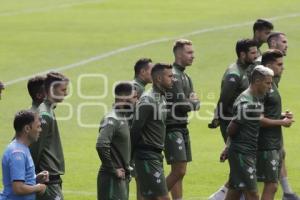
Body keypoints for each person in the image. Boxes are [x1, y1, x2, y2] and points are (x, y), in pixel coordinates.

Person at [208, 39, 258, 200]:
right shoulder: (234, 73)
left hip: (243, 124)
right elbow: (224, 100)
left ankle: (225, 196)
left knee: (242, 164)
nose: (256, 55)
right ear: (242, 54)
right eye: (252, 53)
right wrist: (218, 118)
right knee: (240, 162)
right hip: (232, 124)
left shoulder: (248, 69)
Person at [222, 65, 274, 200]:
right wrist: (229, 147)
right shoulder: (246, 102)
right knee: (253, 194)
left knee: (234, 192)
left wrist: (227, 147)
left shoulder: (255, 98)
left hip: (246, 151)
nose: (270, 87)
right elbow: (230, 129)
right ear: (257, 81)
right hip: (242, 153)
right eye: (267, 83)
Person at [164, 39, 200, 200]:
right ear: (179, 54)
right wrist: (191, 101)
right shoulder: (174, 76)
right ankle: (149, 196)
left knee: (178, 172)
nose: (193, 56)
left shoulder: (185, 76)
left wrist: (191, 102)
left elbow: (194, 104)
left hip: (182, 126)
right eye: (189, 52)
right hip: (172, 128)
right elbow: (183, 106)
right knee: (179, 170)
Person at [131, 63, 173, 200]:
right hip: (147, 156)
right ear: (159, 79)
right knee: (163, 198)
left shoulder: (161, 97)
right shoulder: (147, 100)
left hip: (155, 155)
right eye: (170, 76)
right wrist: (131, 157)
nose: (173, 79)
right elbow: (135, 129)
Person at [257, 50, 294, 200]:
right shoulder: (262, 88)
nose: (282, 68)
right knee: (270, 185)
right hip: (265, 143)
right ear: (268, 65)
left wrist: (282, 117)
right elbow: (257, 119)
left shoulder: (272, 84)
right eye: (279, 64)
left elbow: (267, 114)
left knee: (266, 185)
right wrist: (282, 122)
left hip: (273, 142)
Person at [267, 32, 299, 200]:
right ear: (273, 43)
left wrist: (279, 115)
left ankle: (287, 192)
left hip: (264, 120)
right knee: (249, 180)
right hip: (252, 125)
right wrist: (279, 119)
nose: (287, 45)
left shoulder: (274, 69)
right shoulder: (262, 70)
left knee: (280, 153)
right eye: (284, 42)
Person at [29, 72, 69, 200]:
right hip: (47, 179)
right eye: (63, 90)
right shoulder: (44, 114)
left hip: (49, 178)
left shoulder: (48, 110)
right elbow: (34, 149)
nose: (66, 93)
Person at [96, 82, 137, 200]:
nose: (136, 100)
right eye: (134, 97)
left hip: (120, 178)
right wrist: (112, 169)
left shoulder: (123, 116)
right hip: (112, 179)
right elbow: (101, 145)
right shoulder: (112, 118)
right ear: (123, 98)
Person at [0, 110, 49, 200]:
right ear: (27, 129)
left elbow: (19, 181)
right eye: (38, 126)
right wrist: (39, 187)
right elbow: (18, 188)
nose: (40, 130)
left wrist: (35, 179)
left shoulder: (22, 148)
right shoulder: (18, 153)